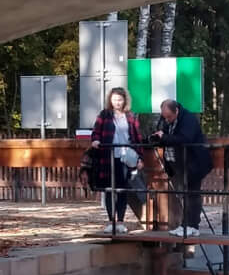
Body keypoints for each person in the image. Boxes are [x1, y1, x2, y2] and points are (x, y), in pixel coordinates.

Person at [87, 86, 147, 228]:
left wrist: (140, 158)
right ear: (110, 100)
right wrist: (95, 140)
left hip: (126, 158)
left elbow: (137, 138)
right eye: (114, 100)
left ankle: (120, 221)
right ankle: (110, 221)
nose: (117, 103)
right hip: (108, 156)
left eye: (119, 100)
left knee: (122, 190)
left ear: (125, 100)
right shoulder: (104, 115)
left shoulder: (131, 116)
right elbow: (96, 132)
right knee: (109, 190)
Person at [153, 98, 212, 234]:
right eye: (164, 117)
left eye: (169, 117)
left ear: (176, 111)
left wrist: (164, 137)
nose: (166, 120)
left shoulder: (188, 119)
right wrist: (158, 138)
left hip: (194, 162)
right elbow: (167, 137)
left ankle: (193, 226)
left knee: (193, 194)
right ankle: (185, 224)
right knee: (186, 195)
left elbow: (185, 139)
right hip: (180, 163)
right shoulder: (169, 120)